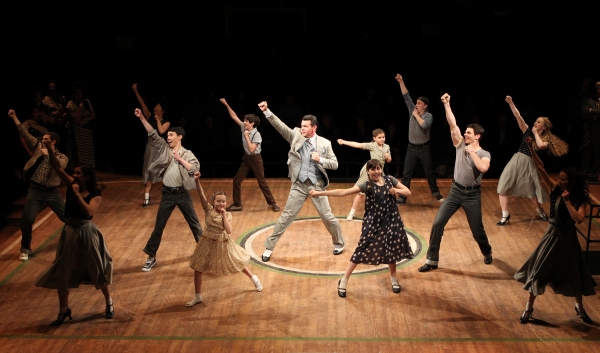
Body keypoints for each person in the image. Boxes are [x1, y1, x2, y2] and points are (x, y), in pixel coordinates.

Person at [515, 138, 596, 324]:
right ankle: (528, 309)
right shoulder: (555, 189)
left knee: (574, 273)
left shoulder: (578, 199)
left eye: (563, 179)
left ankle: (579, 308)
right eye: (559, 178)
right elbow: (541, 169)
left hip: (568, 239)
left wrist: (568, 202)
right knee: (538, 272)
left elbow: (579, 219)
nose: (559, 181)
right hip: (551, 236)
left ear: (572, 182)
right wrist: (531, 149)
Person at [34, 141, 113, 326]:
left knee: (97, 268)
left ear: (86, 177)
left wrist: (77, 195)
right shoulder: (71, 183)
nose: (74, 175)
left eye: (78, 173)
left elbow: (89, 213)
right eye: (74, 172)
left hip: (86, 232)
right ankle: (63, 310)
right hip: (70, 231)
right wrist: (51, 151)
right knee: (64, 270)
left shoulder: (95, 194)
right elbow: (55, 166)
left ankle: (109, 302)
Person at [310, 159, 413, 297]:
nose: (376, 172)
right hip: (373, 223)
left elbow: (408, 192)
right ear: (368, 171)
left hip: (391, 221)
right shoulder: (367, 185)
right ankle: (344, 280)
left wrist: (397, 190)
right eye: (373, 169)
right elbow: (343, 192)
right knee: (361, 249)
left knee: (391, 249)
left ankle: (393, 279)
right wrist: (319, 193)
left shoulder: (390, 180)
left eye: (378, 168)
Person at [257, 101, 345, 262]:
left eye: (305, 126)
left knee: (327, 216)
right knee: (286, 216)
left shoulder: (325, 143)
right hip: (299, 184)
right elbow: (281, 126)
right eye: (302, 125)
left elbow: (335, 164)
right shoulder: (296, 135)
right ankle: (269, 247)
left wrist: (321, 159)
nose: (302, 128)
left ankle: (339, 243)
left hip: (317, 185)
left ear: (314, 127)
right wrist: (267, 111)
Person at [418, 93, 493, 272]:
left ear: (478, 136)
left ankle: (487, 251)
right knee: (437, 224)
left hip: (472, 195)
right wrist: (446, 104)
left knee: (477, 231)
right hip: (455, 191)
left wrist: (472, 153)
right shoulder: (459, 144)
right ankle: (432, 260)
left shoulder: (484, 153)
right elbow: (452, 124)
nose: (465, 134)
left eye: (468, 132)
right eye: (465, 132)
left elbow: (483, 168)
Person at [133, 108, 202, 272]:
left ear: (179, 137)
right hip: (168, 195)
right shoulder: (165, 149)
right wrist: (142, 118)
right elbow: (153, 134)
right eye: (167, 136)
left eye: (170, 135)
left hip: (183, 194)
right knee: (158, 226)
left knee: (196, 225)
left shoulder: (187, 154)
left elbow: (195, 168)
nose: (168, 137)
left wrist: (180, 159)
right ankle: (151, 257)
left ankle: (205, 254)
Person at [186, 173, 263, 306]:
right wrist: (197, 181)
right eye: (218, 201)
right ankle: (198, 296)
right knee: (198, 268)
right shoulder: (208, 209)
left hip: (223, 243)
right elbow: (201, 194)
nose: (221, 203)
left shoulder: (227, 214)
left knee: (237, 262)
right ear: (213, 202)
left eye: (223, 201)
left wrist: (224, 217)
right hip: (206, 243)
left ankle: (254, 279)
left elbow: (229, 230)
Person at [496, 96, 569, 225]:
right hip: (517, 158)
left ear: (544, 126)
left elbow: (540, 146)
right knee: (503, 184)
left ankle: (539, 210)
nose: (535, 123)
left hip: (530, 163)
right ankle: (505, 214)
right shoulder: (527, 130)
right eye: (535, 121)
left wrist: (535, 134)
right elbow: (518, 116)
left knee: (530, 190)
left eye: (539, 122)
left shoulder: (546, 139)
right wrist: (511, 103)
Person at [8, 109, 67, 261]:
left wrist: (48, 154)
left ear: (53, 142)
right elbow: (24, 133)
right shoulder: (37, 147)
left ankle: (79, 240)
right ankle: (25, 248)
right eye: (43, 139)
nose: (43, 141)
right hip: (35, 190)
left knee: (69, 217)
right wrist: (15, 117)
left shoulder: (62, 157)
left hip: (52, 192)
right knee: (27, 219)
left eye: (47, 139)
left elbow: (59, 167)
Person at [219, 98, 280, 212]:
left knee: (262, 182)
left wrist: (247, 136)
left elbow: (252, 149)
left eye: (246, 121)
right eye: (244, 120)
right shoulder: (244, 127)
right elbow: (234, 117)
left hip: (255, 159)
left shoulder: (257, 135)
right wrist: (226, 104)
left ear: (252, 123)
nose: (244, 122)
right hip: (247, 159)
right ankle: (237, 204)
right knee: (236, 180)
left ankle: (273, 203)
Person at [394, 74, 444, 204]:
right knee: (406, 174)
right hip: (411, 148)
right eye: (416, 103)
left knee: (429, 172)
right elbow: (406, 96)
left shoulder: (428, 116)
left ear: (425, 106)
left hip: (424, 148)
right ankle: (403, 197)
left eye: (419, 103)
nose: (416, 105)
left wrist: (416, 115)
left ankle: (436, 193)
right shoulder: (413, 110)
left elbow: (424, 125)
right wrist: (401, 81)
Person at [337, 128, 391, 220]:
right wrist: (344, 142)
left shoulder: (387, 147)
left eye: (383, 137)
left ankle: (378, 213)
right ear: (374, 138)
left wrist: (388, 157)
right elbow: (358, 145)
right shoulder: (372, 146)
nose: (382, 139)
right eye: (379, 137)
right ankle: (352, 213)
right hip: (369, 171)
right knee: (361, 193)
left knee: (380, 193)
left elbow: (389, 160)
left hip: (379, 172)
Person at [132, 83, 171, 207]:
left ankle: (169, 195)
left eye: (158, 106)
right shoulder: (149, 116)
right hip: (150, 147)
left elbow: (161, 131)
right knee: (149, 171)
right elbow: (142, 104)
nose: (155, 107)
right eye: (155, 106)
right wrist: (136, 91)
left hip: (161, 149)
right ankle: (147, 198)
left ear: (163, 110)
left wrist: (158, 119)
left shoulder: (166, 122)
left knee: (165, 171)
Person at [66, 82, 96, 168]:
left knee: (89, 153)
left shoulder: (86, 102)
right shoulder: (70, 105)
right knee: (78, 155)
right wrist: (80, 108)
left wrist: (83, 119)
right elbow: (76, 120)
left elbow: (93, 115)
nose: (78, 94)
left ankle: (89, 171)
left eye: (79, 92)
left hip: (86, 132)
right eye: (76, 92)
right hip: (77, 133)